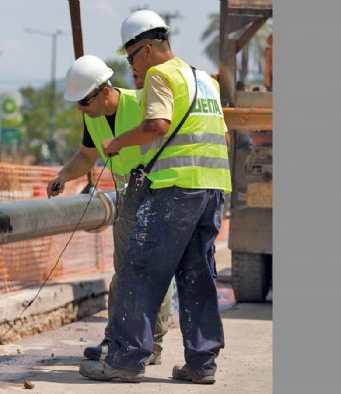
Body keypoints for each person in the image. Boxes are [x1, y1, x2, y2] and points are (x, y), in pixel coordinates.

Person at [78, 10, 232, 384]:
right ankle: (201, 363)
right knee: (197, 277)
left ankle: (126, 359)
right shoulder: (202, 79)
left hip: (174, 189)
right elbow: (222, 136)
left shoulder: (160, 76)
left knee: (140, 270)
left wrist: (116, 142)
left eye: (131, 58)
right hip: (211, 189)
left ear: (145, 50)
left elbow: (156, 126)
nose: (132, 66)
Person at [47, 55, 172, 365]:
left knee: (155, 271)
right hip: (128, 198)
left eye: (84, 101)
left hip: (158, 195)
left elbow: (162, 133)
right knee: (124, 273)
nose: (80, 109)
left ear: (104, 91)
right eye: (76, 103)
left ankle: (152, 343)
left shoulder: (141, 102)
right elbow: (87, 156)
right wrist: (63, 176)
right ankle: (116, 339)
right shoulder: (92, 116)